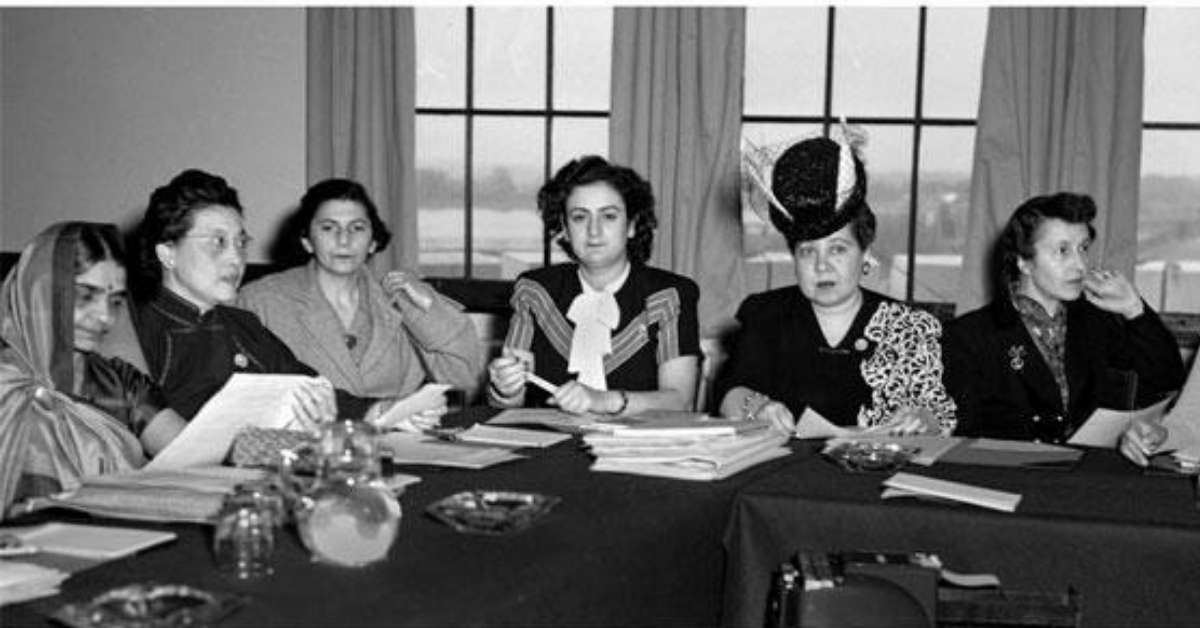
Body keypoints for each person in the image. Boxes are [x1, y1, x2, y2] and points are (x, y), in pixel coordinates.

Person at [131, 169, 434, 431]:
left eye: (240, 242)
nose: (235, 258)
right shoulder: (134, 331)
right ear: (168, 253)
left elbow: (312, 391)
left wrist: (384, 412)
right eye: (218, 242)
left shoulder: (243, 325)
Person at [718, 133, 957, 435]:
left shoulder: (910, 327)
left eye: (838, 249)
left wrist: (922, 420)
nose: (821, 265)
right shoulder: (765, 314)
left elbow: (941, 416)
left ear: (866, 254)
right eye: (807, 252)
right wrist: (757, 408)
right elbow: (730, 394)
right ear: (794, 259)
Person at [946, 192, 1184, 444]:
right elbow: (963, 436)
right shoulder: (970, 336)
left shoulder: (1095, 323)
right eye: (1062, 250)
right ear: (1023, 261)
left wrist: (1134, 309)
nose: (1080, 265)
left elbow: (1167, 376)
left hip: (1090, 473)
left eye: (1083, 249)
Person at [238, 178, 482, 410]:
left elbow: (462, 374)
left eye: (357, 228)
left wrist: (428, 306)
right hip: (303, 446)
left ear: (373, 241)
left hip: (394, 446)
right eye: (328, 228)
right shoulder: (261, 301)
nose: (344, 240)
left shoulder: (400, 302)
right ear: (307, 241)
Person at [487, 155, 701, 415]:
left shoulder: (669, 296)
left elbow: (680, 401)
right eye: (579, 217)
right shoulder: (534, 291)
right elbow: (504, 407)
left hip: (636, 450)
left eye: (609, 216)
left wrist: (602, 400)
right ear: (564, 228)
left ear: (632, 225)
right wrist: (506, 390)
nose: (594, 231)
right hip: (549, 447)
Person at [0, 222, 189, 516]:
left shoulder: (121, 383)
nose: (104, 316)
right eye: (85, 295)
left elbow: (192, 457)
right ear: (41, 293)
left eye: (114, 301)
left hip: (119, 544)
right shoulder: (5, 386)